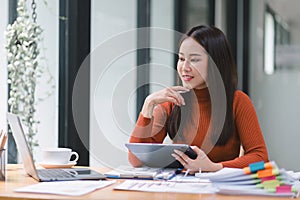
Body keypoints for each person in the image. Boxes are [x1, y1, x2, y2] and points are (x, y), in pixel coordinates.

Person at [128, 25, 268, 173]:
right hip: (181, 191)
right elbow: (136, 160)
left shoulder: (238, 102)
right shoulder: (171, 103)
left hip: (221, 191)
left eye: (194, 60)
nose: (184, 67)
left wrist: (214, 168)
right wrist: (148, 105)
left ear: (216, 63)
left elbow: (260, 157)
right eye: (181, 58)